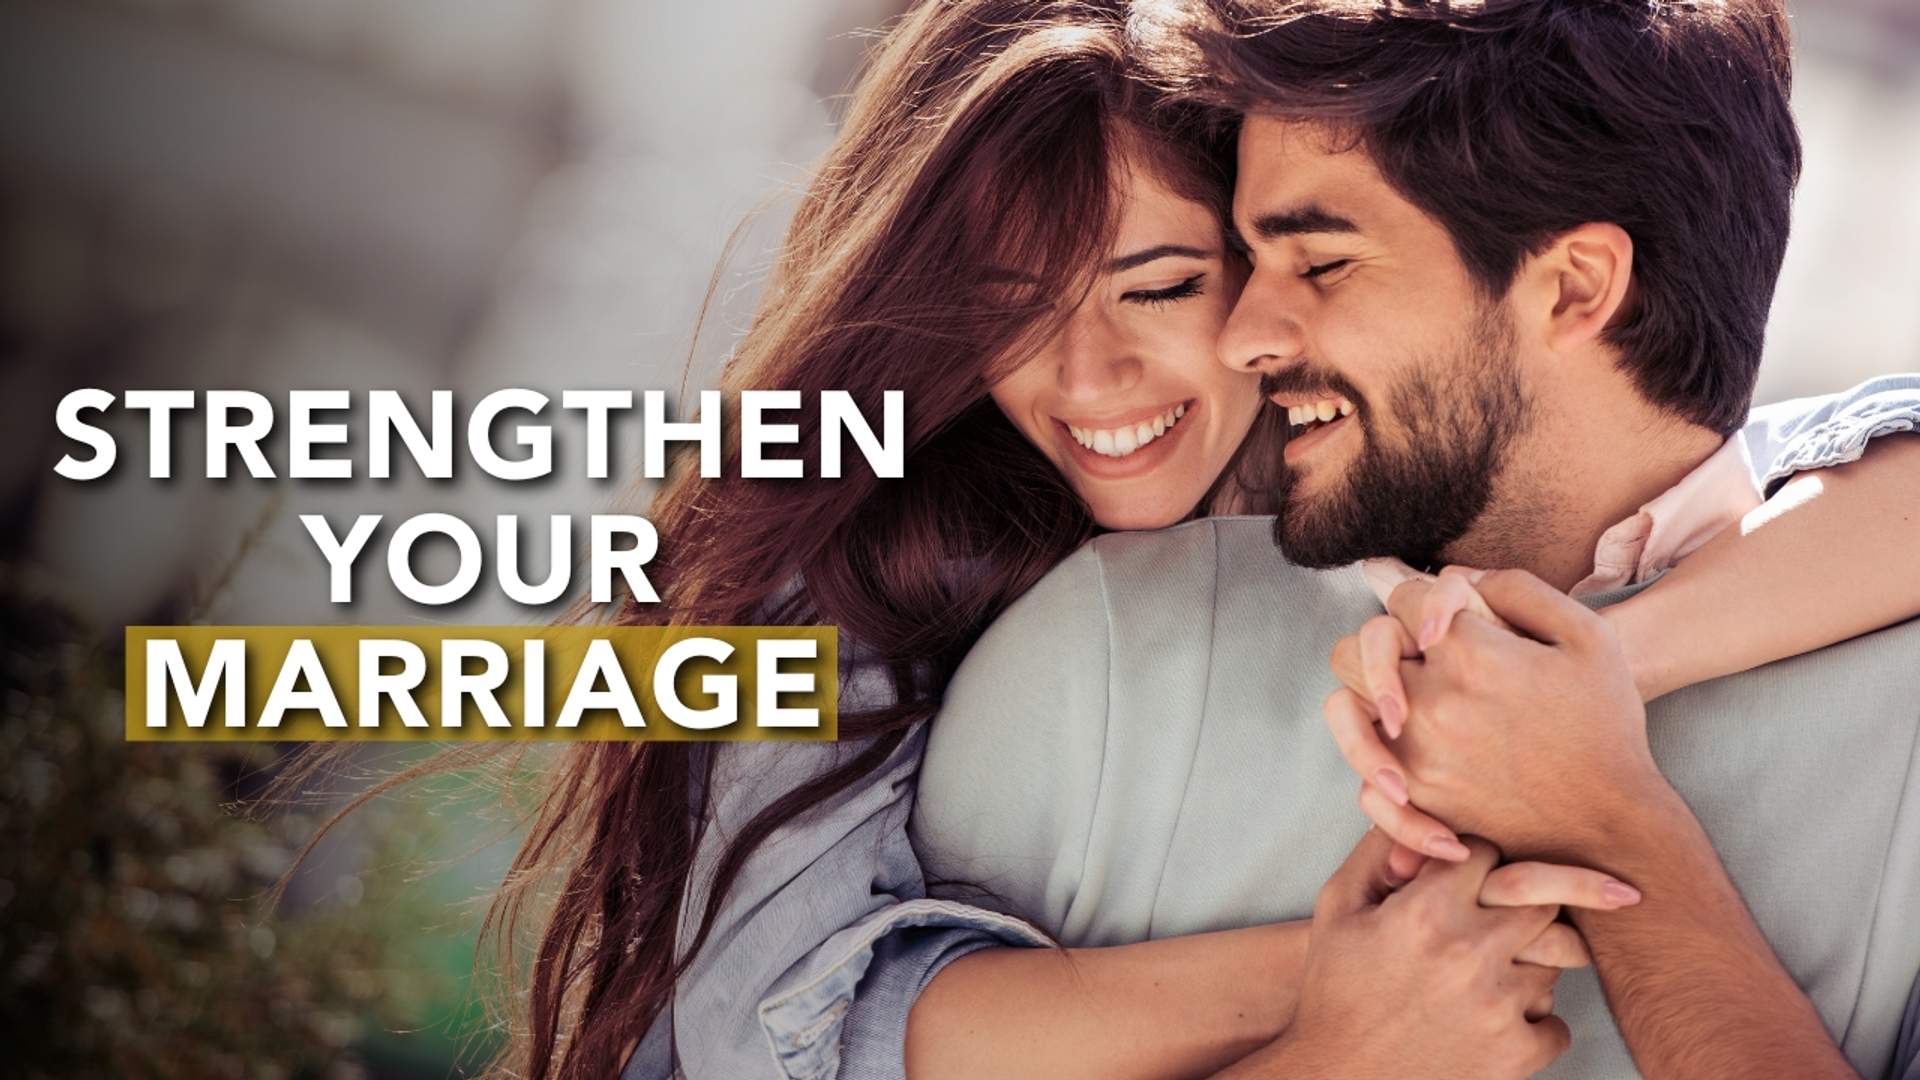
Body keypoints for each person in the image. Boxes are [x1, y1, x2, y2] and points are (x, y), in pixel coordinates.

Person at [288, 2, 1912, 1078]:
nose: (1092, 377)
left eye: (1163, 286)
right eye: (1009, 311)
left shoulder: (1404, 484)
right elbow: (803, 1025)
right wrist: (1351, 988)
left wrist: (1595, 668)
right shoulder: (870, 550)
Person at [906, 2, 1920, 1078]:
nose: (1245, 337)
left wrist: (1610, 811)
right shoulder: (1095, 656)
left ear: (1575, 287)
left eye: (1323, 264)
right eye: (1248, 262)